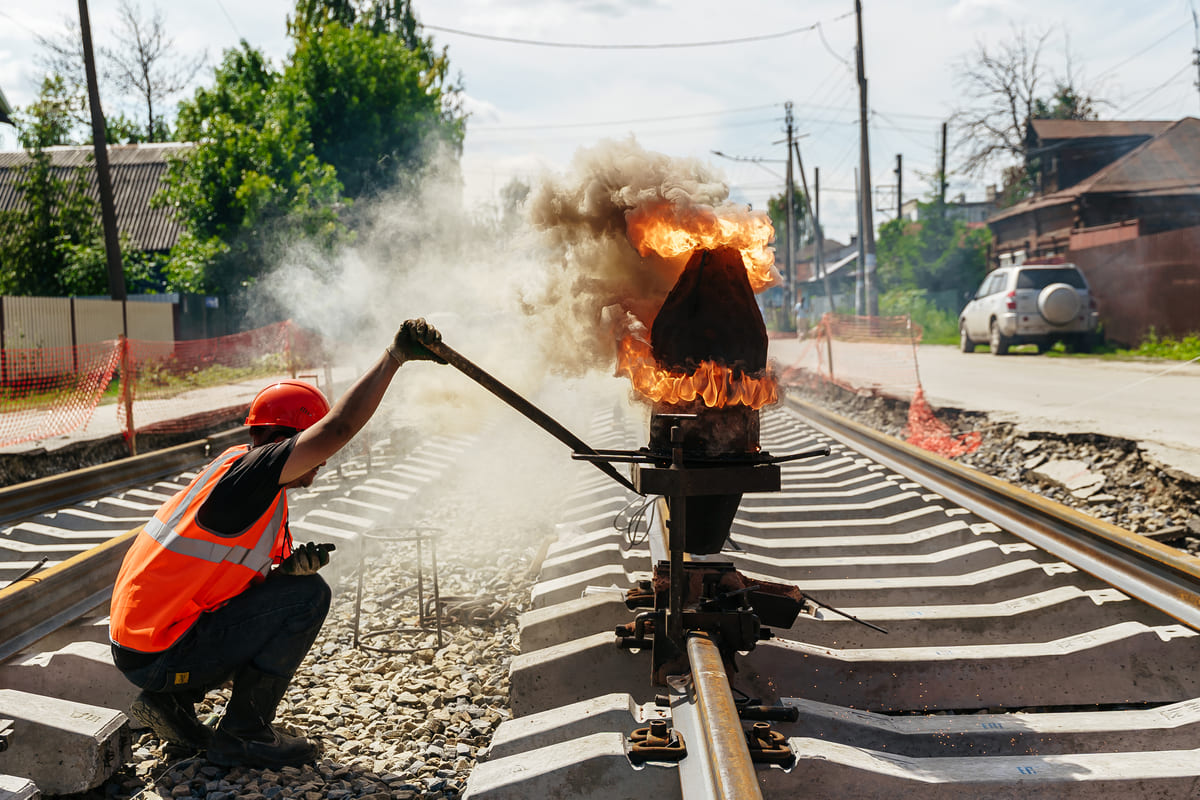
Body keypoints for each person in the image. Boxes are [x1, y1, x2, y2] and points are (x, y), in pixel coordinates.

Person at [109, 319, 445, 768]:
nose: (321, 461)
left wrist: (284, 574)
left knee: (293, 589)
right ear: (278, 441)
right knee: (308, 599)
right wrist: (394, 357)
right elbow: (339, 427)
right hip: (158, 650)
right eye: (310, 447)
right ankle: (245, 733)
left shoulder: (245, 480)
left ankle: (171, 703)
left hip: (146, 641)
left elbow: (225, 587)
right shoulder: (252, 474)